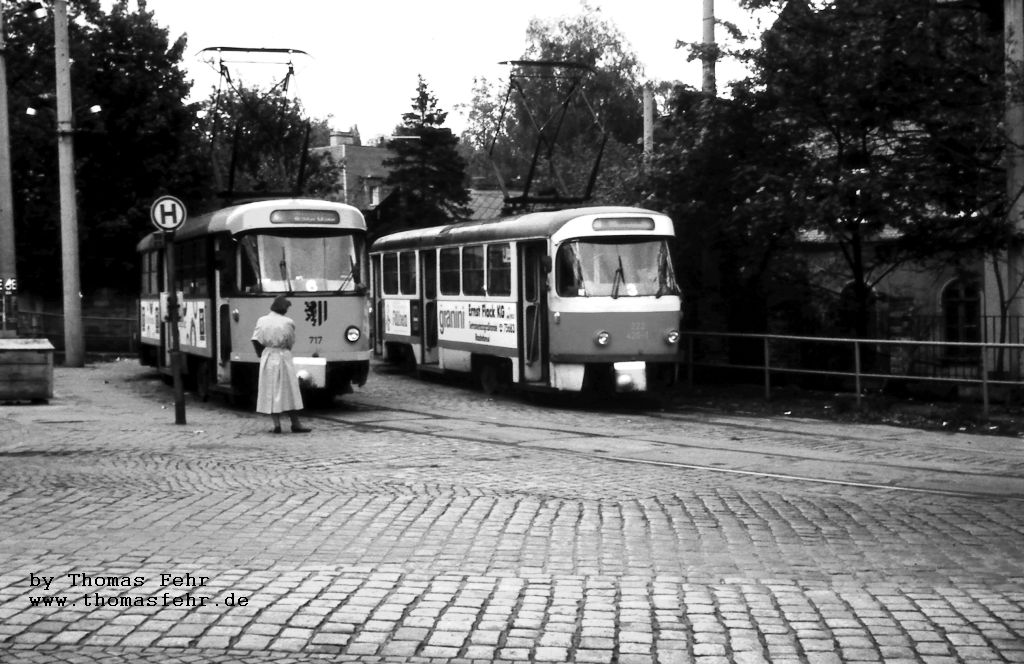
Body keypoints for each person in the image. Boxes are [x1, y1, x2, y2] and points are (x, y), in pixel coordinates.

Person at [251, 295, 311, 434]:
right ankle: (295, 423)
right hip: (283, 356)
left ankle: (276, 424)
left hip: (267, 355)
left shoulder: (262, 320)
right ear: (283, 308)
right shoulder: (288, 322)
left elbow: (255, 339)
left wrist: (262, 353)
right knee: (289, 390)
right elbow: (290, 341)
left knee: (270, 390)